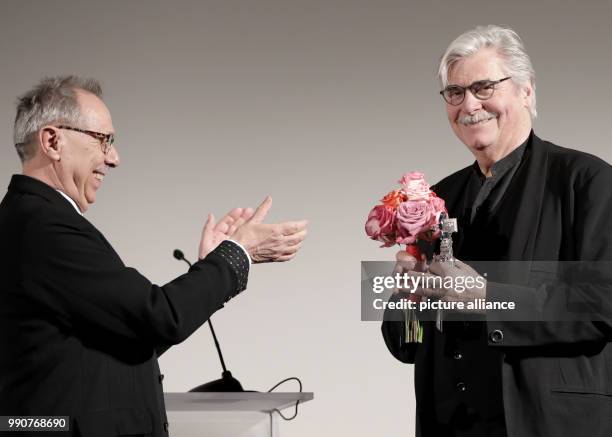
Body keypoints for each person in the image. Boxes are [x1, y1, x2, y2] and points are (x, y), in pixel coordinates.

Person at [0, 76, 308, 436]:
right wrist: (236, 256)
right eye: (104, 140)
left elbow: (128, 338)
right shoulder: (43, 227)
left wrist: (213, 264)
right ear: (53, 141)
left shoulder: (30, 220)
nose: (113, 158)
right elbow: (157, 317)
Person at [381, 25, 612, 437]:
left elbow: (602, 304)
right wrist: (406, 295)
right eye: (455, 92)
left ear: (525, 91)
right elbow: (407, 344)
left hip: (546, 424)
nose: (469, 104)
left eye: (484, 87)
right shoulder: (437, 197)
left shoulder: (587, 181)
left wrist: (488, 299)